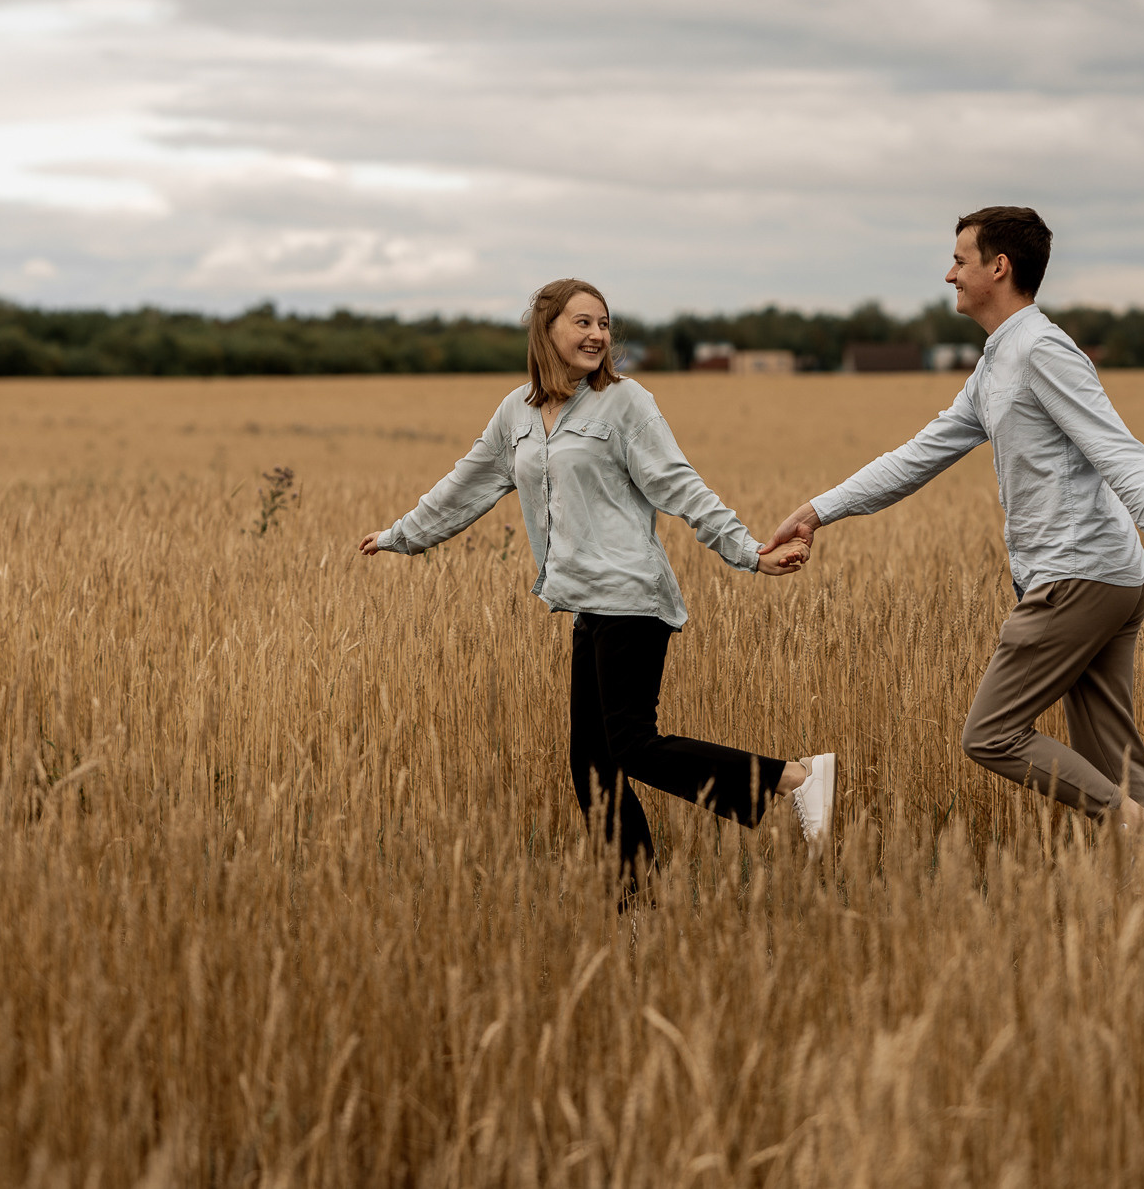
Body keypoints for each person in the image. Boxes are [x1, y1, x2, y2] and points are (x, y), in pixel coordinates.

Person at [766, 208, 1144, 859]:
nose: (949, 272)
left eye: (961, 259)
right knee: (1113, 755)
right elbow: (918, 455)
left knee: (992, 733)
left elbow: (1120, 451)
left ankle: (1142, 831)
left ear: (998, 267)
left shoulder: (1040, 349)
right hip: (1104, 574)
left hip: (1076, 576)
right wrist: (817, 510)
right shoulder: (1000, 360)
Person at [359, 278, 838, 888]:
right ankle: (636, 905)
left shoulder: (625, 402)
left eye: (604, 324)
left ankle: (791, 779)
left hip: (632, 595)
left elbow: (679, 485)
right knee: (593, 768)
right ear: (546, 330)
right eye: (582, 323)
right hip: (586, 602)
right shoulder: (518, 413)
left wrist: (747, 552)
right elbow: (467, 483)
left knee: (633, 744)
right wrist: (401, 534)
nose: (597, 335)